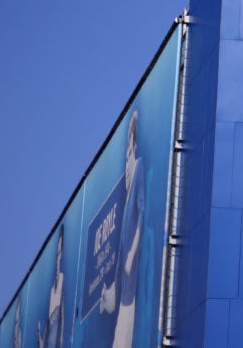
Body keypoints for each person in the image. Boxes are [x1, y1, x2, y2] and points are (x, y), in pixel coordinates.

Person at [99, 110, 145, 348]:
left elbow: (142, 219)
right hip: (122, 294)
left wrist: (130, 257)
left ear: (134, 148)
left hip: (129, 295)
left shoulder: (138, 170)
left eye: (128, 152)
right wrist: (108, 295)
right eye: (125, 157)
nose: (126, 163)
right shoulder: (125, 198)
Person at [37, 226, 65, 348]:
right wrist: (40, 339)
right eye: (56, 255)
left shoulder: (62, 280)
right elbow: (47, 332)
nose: (57, 260)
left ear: (62, 255)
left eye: (60, 254)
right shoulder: (50, 291)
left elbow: (62, 322)